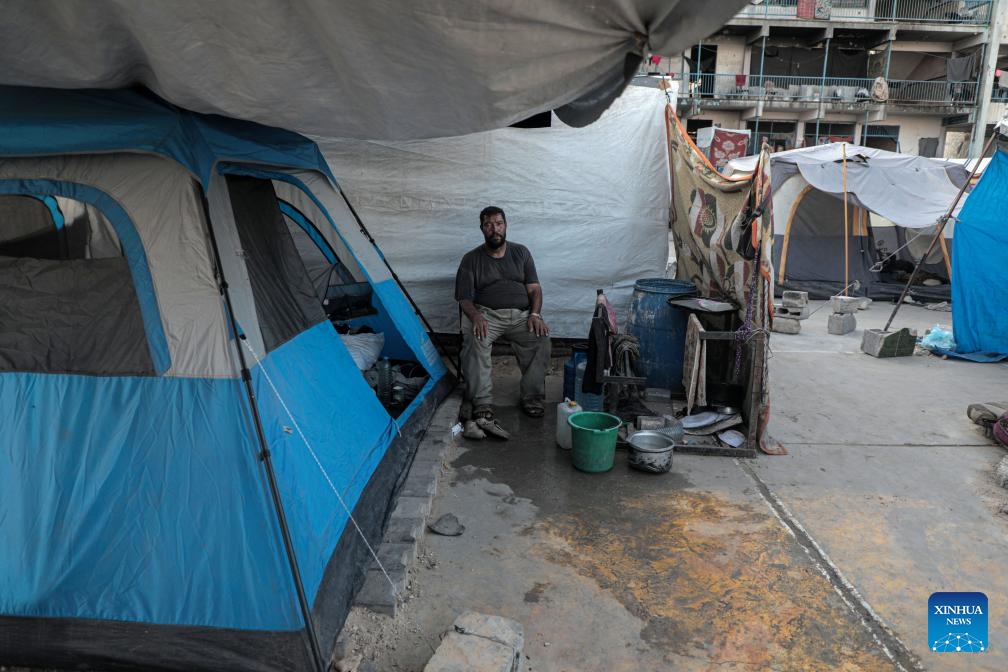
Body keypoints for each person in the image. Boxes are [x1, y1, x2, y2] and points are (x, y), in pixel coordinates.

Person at [455, 206, 551, 440]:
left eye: (498, 223)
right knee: (476, 338)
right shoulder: (471, 259)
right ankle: (482, 403)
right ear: (481, 229)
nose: (494, 229)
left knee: (541, 338)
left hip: (521, 316)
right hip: (487, 315)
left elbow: (535, 289)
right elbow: (464, 298)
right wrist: (476, 316)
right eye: (488, 224)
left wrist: (535, 315)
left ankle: (532, 397)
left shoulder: (521, 253)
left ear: (505, 226)